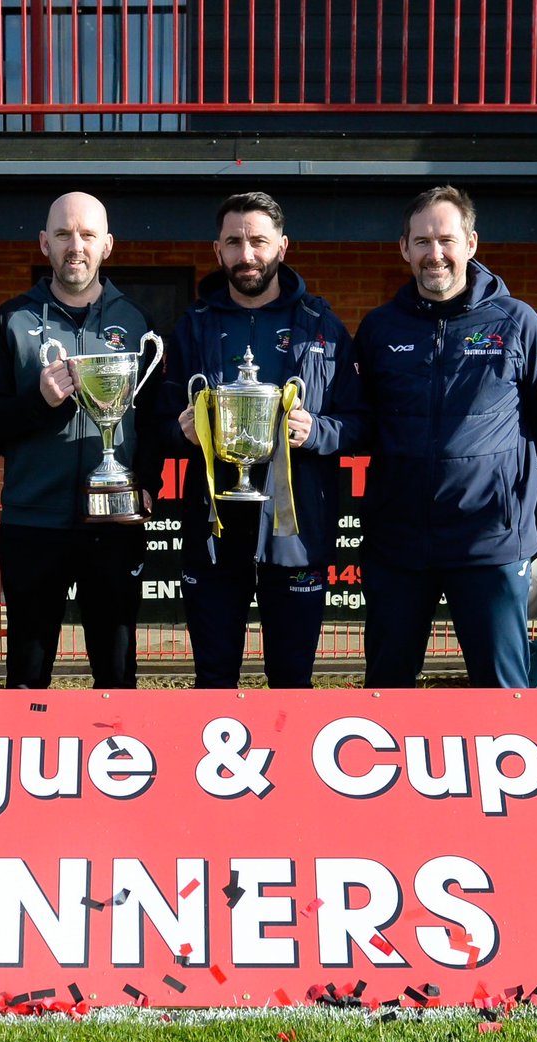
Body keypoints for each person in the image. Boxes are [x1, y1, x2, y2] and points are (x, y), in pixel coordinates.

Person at [353, 185, 537, 688]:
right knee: (387, 686)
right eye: (423, 241)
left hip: (489, 541)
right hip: (398, 543)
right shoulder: (379, 328)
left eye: (447, 240)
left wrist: (494, 474)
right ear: (404, 248)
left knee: (502, 690)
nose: (436, 254)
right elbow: (362, 419)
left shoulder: (517, 322)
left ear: (471, 244)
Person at [157, 191, 368, 688]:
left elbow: (362, 422)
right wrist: (181, 430)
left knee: (292, 680)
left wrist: (318, 431)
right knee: (212, 677)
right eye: (234, 242)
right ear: (217, 251)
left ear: (283, 246)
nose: (246, 254)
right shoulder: (192, 328)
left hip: (295, 534)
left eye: (258, 241)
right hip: (214, 532)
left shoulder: (324, 328)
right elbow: (157, 423)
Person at [0, 191, 159, 689]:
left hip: (113, 518)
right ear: (44, 243)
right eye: (62, 234)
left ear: (108, 246)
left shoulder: (136, 322)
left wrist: (150, 482)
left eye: (86, 235)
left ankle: (120, 761)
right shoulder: (12, 319)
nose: (74, 246)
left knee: (117, 668)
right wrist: (39, 401)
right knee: (28, 671)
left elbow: (158, 416)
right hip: (33, 522)